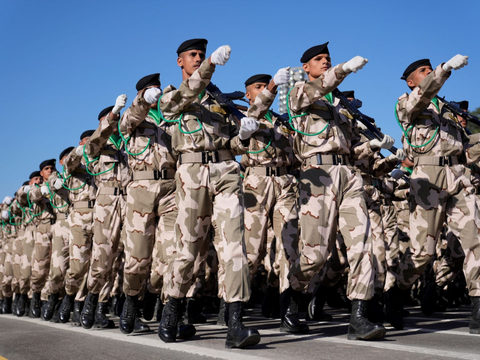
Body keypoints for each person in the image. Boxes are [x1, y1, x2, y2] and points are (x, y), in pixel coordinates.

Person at [158, 38, 260, 349]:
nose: (199, 59)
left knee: (234, 247)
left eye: (202, 55)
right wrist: (211, 65)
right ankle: (172, 309)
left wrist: (244, 136)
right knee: (189, 250)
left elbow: (233, 144)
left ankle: (235, 324)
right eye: (194, 56)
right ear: (180, 62)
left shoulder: (219, 100)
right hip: (192, 174)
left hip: (227, 172)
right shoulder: (171, 96)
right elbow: (174, 105)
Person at [285, 42, 387, 340]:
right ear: (306, 67)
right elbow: (321, 86)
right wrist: (344, 68)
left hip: (349, 175)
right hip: (317, 176)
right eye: (319, 59)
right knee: (315, 255)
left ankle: (359, 317)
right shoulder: (299, 93)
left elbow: (353, 147)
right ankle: (291, 295)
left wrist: (373, 146)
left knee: (362, 246)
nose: (325, 62)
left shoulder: (339, 107)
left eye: (328, 59)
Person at [391, 55, 480, 334]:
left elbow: (465, 150)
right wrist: (444, 69)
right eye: (423, 71)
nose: (429, 73)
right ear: (411, 81)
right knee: (422, 254)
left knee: (475, 241)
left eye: (431, 69)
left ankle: (478, 308)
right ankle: (395, 293)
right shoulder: (407, 103)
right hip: (426, 179)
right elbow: (423, 94)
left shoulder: (448, 110)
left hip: (458, 176)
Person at [240, 71, 311, 333]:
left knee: (289, 249)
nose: (264, 91)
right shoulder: (243, 114)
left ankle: (289, 311)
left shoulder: (282, 121)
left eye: (266, 86)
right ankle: (232, 307)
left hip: (285, 183)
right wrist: (271, 88)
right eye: (258, 87)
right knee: (252, 251)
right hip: (257, 183)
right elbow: (255, 113)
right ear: (248, 94)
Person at [57, 131, 97, 324]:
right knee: (78, 264)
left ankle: (89, 306)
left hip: (102, 212)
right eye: (86, 140)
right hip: (80, 215)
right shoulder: (74, 163)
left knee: (100, 263)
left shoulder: (101, 158)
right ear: (80, 143)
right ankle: (69, 295)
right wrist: (79, 151)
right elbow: (68, 162)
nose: (90, 142)